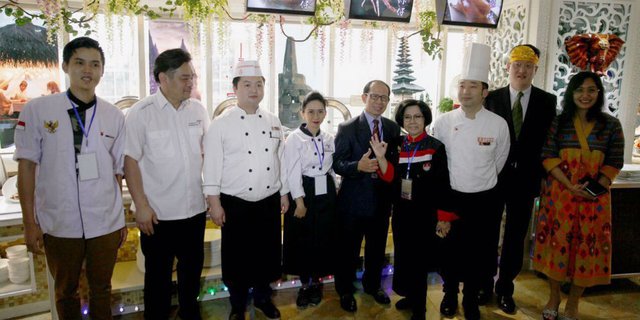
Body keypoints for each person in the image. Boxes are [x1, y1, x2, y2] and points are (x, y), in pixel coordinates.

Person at [14, 37, 127, 320]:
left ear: (102, 70)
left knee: (102, 288)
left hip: (105, 221)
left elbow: (118, 171)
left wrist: (120, 219)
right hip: (59, 221)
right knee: (66, 291)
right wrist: (30, 223)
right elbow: (26, 168)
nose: (87, 70)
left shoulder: (114, 116)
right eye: (79, 63)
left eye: (95, 64)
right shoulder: (39, 110)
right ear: (65, 66)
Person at [124, 48, 209, 320]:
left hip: (194, 211)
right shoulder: (141, 113)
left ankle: (189, 314)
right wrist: (141, 206)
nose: (191, 82)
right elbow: (130, 162)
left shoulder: (197, 110)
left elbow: (208, 154)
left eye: (192, 77)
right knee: (158, 279)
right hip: (158, 215)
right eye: (185, 77)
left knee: (191, 275)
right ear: (163, 78)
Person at [533, 71, 624, 320]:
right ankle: (554, 296)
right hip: (560, 196)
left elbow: (615, 161)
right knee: (556, 246)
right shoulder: (558, 123)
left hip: (594, 200)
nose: (585, 95)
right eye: (579, 90)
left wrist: (595, 188)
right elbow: (548, 155)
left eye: (591, 90)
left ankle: (573, 302)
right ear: (571, 94)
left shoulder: (611, 125)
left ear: (599, 93)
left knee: (587, 249)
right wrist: (570, 185)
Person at [203, 60, 289, 320]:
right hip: (235, 202)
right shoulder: (220, 124)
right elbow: (212, 165)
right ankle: (237, 304)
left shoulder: (274, 121)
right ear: (235, 89)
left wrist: (283, 192)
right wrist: (214, 203)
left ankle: (264, 298)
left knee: (267, 254)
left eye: (259, 84)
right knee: (237, 258)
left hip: (268, 200)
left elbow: (280, 160)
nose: (254, 89)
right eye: (248, 84)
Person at [432, 43, 510, 320]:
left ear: (485, 91)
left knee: (481, 252)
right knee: (450, 251)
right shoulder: (443, 122)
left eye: (473, 86)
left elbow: (499, 160)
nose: (466, 92)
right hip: (453, 196)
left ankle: (471, 299)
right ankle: (450, 294)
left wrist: (482, 182)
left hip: (485, 199)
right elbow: (438, 165)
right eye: (462, 86)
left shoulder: (498, 124)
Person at [482, 44, 558, 313]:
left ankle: (505, 288)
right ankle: (483, 283)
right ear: (508, 67)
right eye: (517, 65)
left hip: (525, 181)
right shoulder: (491, 98)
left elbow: (550, 142)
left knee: (515, 236)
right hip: (492, 177)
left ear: (535, 70)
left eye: (528, 66)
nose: (522, 71)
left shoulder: (547, 101)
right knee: (488, 232)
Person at [371, 99, 456, 320]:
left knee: (419, 261)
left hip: (425, 215)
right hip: (401, 213)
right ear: (402, 120)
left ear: (425, 118)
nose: (412, 121)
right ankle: (410, 296)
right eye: (408, 117)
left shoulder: (435, 147)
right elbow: (390, 176)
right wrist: (380, 157)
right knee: (405, 258)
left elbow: (443, 184)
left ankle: (420, 308)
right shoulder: (397, 144)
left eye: (417, 116)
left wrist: (444, 218)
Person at [332, 80, 400, 312]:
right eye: (375, 96)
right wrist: (357, 166)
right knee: (348, 252)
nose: (379, 102)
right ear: (364, 98)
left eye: (384, 98)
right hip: (353, 203)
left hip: (381, 202)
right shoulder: (347, 128)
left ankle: (373, 286)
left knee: (376, 249)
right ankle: (345, 290)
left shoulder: (392, 128)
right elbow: (338, 164)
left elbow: (394, 165)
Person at [282, 91, 337, 308]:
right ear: (302, 112)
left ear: (325, 113)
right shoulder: (295, 138)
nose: (316, 116)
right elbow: (292, 171)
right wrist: (300, 201)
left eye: (320, 111)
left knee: (322, 238)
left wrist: (337, 191)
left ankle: (316, 282)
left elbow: (331, 169)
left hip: (326, 191)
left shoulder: (329, 138)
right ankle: (304, 285)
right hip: (303, 191)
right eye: (311, 111)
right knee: (303, 239)